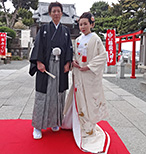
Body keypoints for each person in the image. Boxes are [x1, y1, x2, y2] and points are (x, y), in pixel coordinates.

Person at [62, 12, 110, 153]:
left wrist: (88, 66)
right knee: (79, 99)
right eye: (80, 24)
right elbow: (75, 55)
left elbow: (103, 56)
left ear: (91, 24)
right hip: (79, 75)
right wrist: (74, 62)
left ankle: (88, 129)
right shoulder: (77, 40)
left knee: (90, 101)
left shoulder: (95, 39)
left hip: (89, 75)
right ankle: (77, 124)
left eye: (85, 24)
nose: (82, 26)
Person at [29, 2, 73, 139]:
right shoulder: (43, 29)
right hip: (46, 67)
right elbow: (38, 47)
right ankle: (37, 127)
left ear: (62, 13)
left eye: (58, 11)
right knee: (42, 96)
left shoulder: (65, 31)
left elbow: (69, 48)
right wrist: (39, 62)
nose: (56, 13)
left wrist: (68, 62)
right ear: (49, 13)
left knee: (58, 95)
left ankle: (55, 122)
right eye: (53, 11)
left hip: (60, 67)